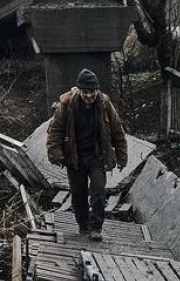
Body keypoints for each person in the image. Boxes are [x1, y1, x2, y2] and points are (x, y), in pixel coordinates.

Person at [46, 69, 128, 241]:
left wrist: (121, 156)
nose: (89, 95)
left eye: (92, 91)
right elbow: (55, 131)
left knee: (98, 191)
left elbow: (117, 131)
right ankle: (83, 225)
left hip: (97, 156)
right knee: (78, 194)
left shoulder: (105, 105)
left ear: (97, 90)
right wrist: (55, 154)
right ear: (79, 90)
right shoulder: (67, 106)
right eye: (85, 92)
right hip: (74, 157)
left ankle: (96, 227)